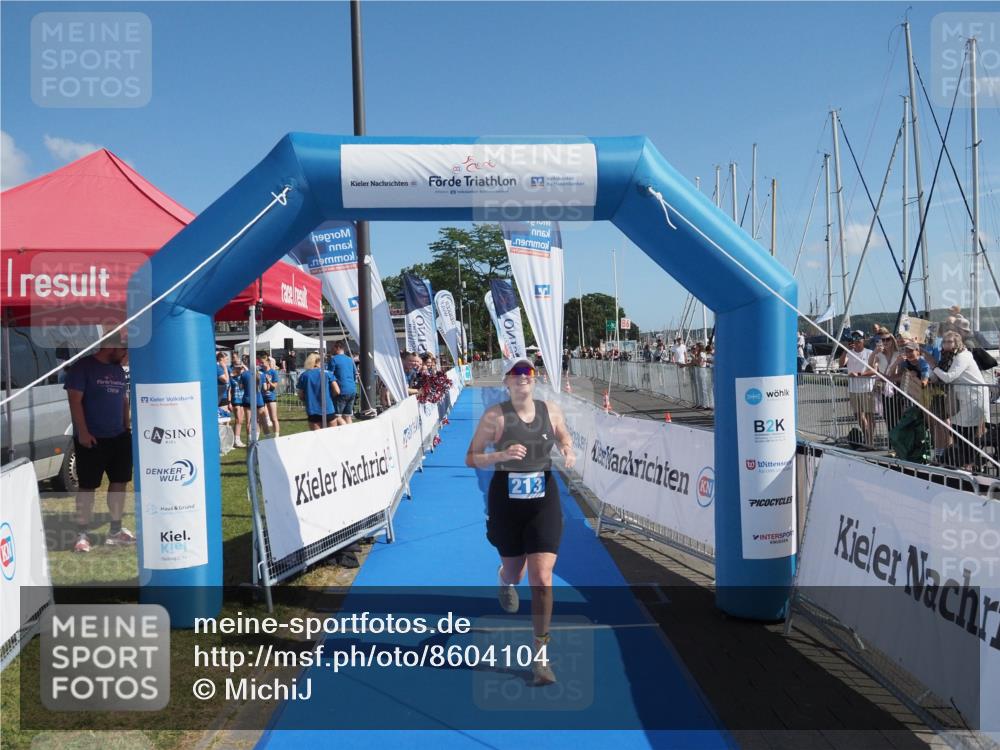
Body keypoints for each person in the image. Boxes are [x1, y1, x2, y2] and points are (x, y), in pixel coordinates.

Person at [465, 357, 576, 686]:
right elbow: (471, 457)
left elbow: (565, 438)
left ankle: (541, 658)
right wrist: (500, 455)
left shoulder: (551, 410)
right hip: (507, 503)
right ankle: (504, 578)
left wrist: (568, 452)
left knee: (542, 579)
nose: (522, 378)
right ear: (507, 382)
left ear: (535, 378)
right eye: (516, 374)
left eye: (527, 373)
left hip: (543, 500)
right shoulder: (494, 416)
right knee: (516, 572)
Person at [64, 332, 135, 552]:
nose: (126, 355)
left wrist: (126, 426)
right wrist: (83, 432)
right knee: (87, 487)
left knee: (120, 483)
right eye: (124, 350)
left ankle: (115, 530)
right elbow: (74, 401)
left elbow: (123, 399)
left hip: (119, 437)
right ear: (111, 347)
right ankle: (82, 534)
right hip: (92, 439)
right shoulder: (83, 367)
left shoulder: (117, 370)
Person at [932, 331, 987, 470]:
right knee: (957, 429)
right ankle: (966, 462)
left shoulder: (962, 356)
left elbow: (949, 377)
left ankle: (971, 464)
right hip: (962, 398)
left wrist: (934, 367)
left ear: (957, 343)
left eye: (949, 341)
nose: (946, 344)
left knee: (967, 433)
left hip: (973, 398)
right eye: (944, 341)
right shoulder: (951, 356)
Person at [839, 331, 876, 446]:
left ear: (863, 339)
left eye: (859, 338)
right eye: (854, 338)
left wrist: (859, 374)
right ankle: (867, 436)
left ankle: (870, 440)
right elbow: (841, 364)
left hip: (867, 388)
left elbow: (874, 370)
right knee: (858, 415)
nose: (856, 340)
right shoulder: (849, 353)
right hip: (853, 389)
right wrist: (846, 350)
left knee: (869, 415)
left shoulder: (869, 353)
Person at [297, 352, 342, 429]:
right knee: (333, 437)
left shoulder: (304, 375)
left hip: (313, 410)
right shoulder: (328, 373)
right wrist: (330, 396)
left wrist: (307, 399)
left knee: (317, 439)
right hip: (328, 409)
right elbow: (337, 391)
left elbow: (301, 395)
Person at [239, 358, 272, 439]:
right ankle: (268, 438)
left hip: (247, 399)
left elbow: (241, 387)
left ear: (248, 364)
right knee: (263, 420)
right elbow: (265, 388)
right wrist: (268, 382)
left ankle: (251, 441)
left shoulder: (244, 374)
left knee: (249, 422)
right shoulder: (262, 374)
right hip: (258, 399)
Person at [327, 341, 357, 424]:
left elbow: (329, 376)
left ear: (338, 348)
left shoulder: (334, 360)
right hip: (352, 389)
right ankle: (352, 433)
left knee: (337, 416)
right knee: (347, 415)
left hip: (341, 390)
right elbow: (354, 375)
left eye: (333, 348)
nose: (332, 349)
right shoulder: (350, 360)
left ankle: (347, 431)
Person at [229, 360, 247, 448]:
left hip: (242, 399)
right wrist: (229, 402)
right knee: (238, 420)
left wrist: (243, 366)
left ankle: (235, 439)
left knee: (240, 421)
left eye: (241, 368)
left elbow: (250, 373)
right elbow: (229, 390)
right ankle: (236, 440)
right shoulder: (231, 377)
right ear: (235, 368)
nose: (240, 369)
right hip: (235, 400)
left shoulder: (243, 376)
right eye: (238, 368)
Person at [263, 356, 281, 437]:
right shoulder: (260, 372)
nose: (262, 364)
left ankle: (276, 436)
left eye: (263, 363)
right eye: (261, 363)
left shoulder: (273, 372)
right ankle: (267, 436)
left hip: (271, 397)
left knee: (273, 418)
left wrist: (269, 381)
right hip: (262, 398)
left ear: (268, 363)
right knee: (263, 420)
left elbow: (274, 386)